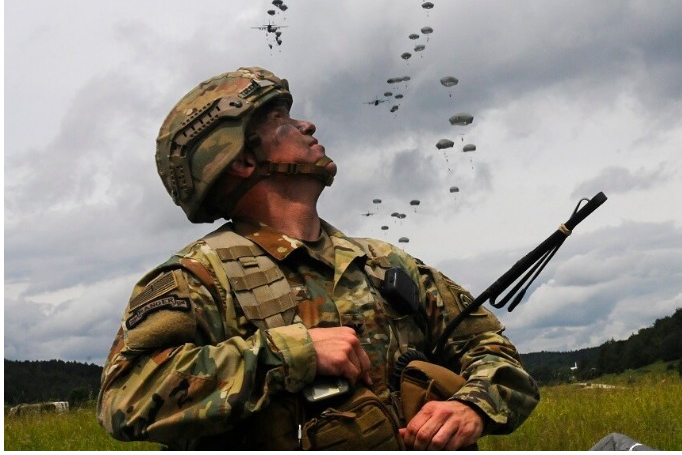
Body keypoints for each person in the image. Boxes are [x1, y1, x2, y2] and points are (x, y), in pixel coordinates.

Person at [97, 66, 540, 450]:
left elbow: (494, 351)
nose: (306, 125)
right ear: (242, 161)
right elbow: (124, 398)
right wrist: (293, 353)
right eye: (279, 121)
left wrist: (473, 406)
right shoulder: (197, 278)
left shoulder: (385, 264)